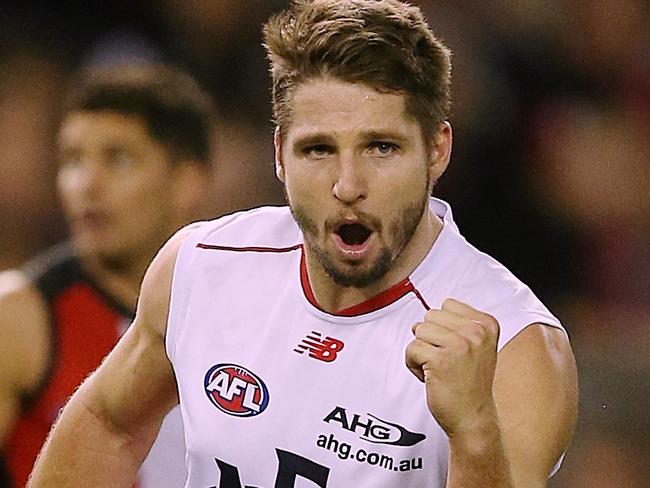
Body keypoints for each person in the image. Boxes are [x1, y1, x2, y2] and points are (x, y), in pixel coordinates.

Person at [28, 1, 578, 487]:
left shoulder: (516, 346)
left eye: (381, 148)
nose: (347, 185)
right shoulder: (202, 267)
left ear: (436, 150)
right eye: (317, 150)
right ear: (279, 155)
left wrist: (474, 431)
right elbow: (110, 426)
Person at [0, 63, 216, 487]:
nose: (87, 184)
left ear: (187, 182)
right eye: (73, 160)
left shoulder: (239, 317)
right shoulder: (21, 317)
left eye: (118, 158)